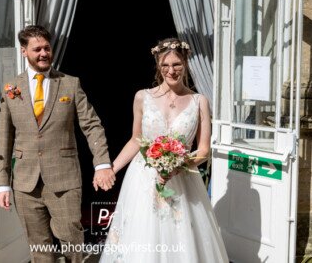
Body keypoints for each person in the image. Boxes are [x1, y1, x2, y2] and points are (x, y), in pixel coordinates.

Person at [98, 38, 229, 262]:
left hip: (183, 180)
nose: (171, 70)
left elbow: (204, 150)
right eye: (165, 65)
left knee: (182, 237)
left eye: (177, 64)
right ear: (158, 65)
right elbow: (136, 140)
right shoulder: (142, 97)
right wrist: (112, 168)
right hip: (144, 178)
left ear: (185, 63)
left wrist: (178, 166)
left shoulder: (200, 101)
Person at [0, 25, 116, 263]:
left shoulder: (70, 84)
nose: (43, 53)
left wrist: (102, 163)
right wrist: (2, 183)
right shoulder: (12, 88)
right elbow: (4, 138)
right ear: (24, 52)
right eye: (37, 49)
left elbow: (92, 125)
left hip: (64, 181)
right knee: (39, 249)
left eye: (47, 48)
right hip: (25, 184)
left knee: (72, 244)